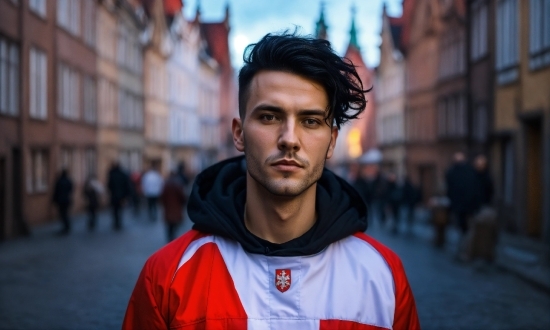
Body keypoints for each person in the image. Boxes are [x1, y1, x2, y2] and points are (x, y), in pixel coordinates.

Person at [123, 32, 419, 329]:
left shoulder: (381, 276)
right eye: (269, 117)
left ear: (331, 142)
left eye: (311, 121)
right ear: (238, 133)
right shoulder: (167, 275)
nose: (289, 139)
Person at [445, 151, 480, 235]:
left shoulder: (465, 170)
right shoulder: (454, 171)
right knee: (463, 221)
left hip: (465, 201)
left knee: (464, 221)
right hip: (462, 201)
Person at [160, 171, 187, 242]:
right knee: (175, 225)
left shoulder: (166, 185)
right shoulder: (178, 185)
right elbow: (182, 197)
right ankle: (173, 238)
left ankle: (170, 238)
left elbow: (162, 197)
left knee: (169, 226)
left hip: (168, 208)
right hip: (176, 208)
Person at [107, 162, 131, 230]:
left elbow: (109, 185)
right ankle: (118, 222)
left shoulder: (112, 174)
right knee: (120, 210)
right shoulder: (123, 174)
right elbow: (127, 186)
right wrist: (126, 195)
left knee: (115, 210)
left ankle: (116, 222)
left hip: (114, 195)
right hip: (121, 195)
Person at [52, 168, 73, 235]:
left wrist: (54, 200)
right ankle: (67, 226)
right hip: (67, 199)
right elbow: (71, 189)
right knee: (65, 213)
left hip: (61, 200)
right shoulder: (68, 181)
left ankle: (66, 227)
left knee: (62, 214)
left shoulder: (59, 181)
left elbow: (56, 191)